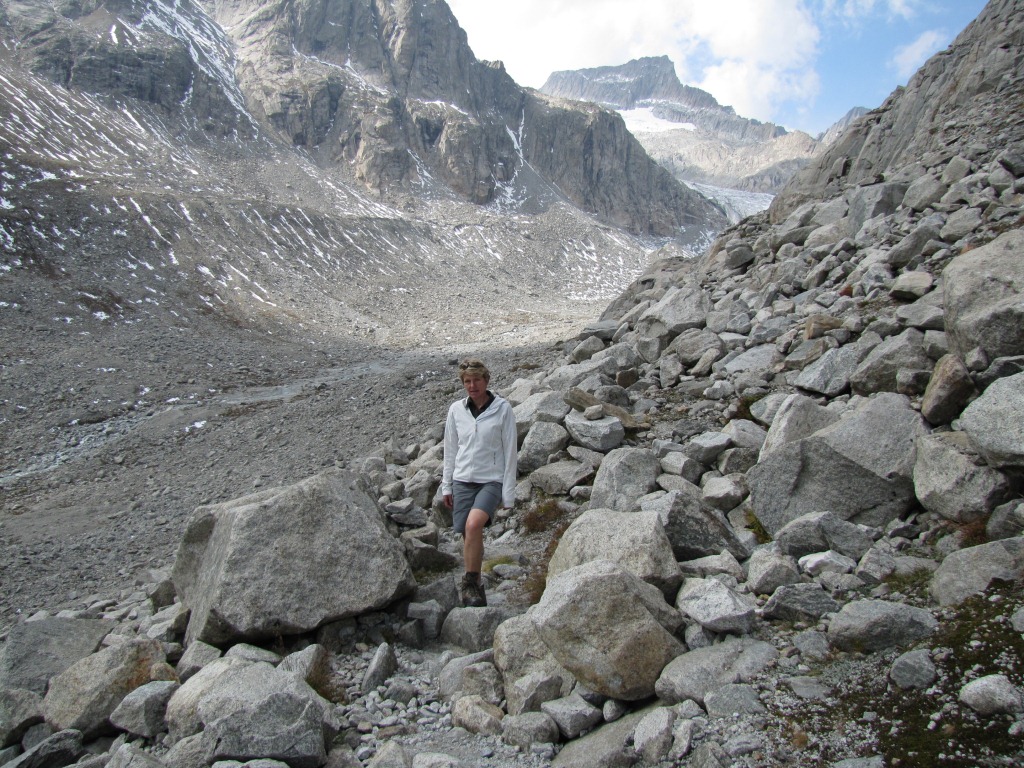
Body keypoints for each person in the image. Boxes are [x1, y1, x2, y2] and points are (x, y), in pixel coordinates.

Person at [441, 358, 518, 607]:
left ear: (486, 380)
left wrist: (509, 494)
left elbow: (510, 451)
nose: (472, 385)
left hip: (491, 480)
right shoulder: (456, 410)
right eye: (467, 381)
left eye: (476, 380)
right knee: (469, 535)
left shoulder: (502, 409)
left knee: (474, 526)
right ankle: (477, 590)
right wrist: (447, 485)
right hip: (462, 479)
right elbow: (450, 450)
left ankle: (469, 582)